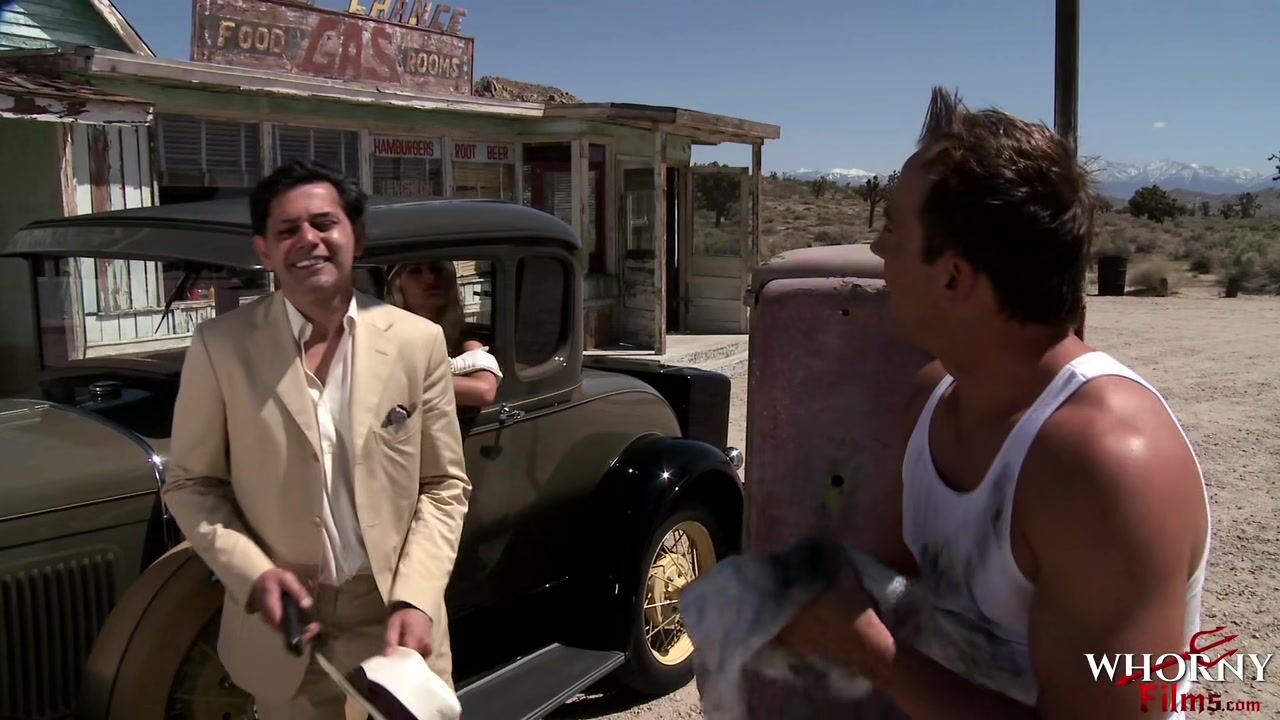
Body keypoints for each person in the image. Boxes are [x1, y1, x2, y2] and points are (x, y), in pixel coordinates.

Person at [777, 87, 1211, 718]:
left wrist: (874, 655)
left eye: (893, 229)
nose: (877, 250)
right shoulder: (932, 399)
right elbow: (898, 591)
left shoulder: (1105, 467)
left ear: (954, 276)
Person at [160, 160, 472, 718]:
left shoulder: (416, 342)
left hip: (395, 619)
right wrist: (254, 574)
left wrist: (418, 596)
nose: (308, 239)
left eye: (325, 223)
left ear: (357, 237)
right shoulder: (221, 347)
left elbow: (443, 484)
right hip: (289, 630)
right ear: (264, 250)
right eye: (287, 230)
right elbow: (191, 483)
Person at [387, 260, 501, 407]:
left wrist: (403, 384)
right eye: (416, 271)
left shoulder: (465, 336)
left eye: (437, 270)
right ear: (398, 284)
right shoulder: (387, 337)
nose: (430, 278)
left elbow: (484, 391)